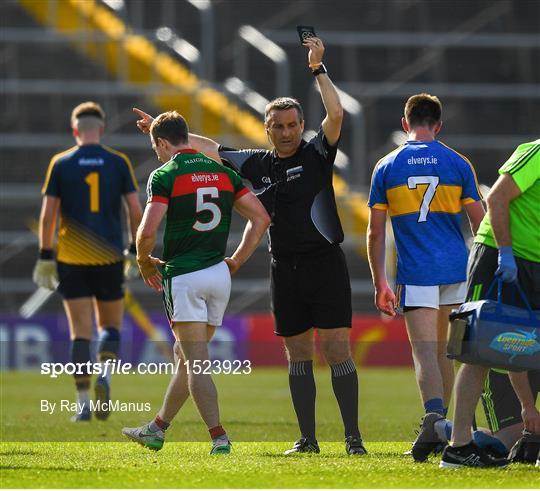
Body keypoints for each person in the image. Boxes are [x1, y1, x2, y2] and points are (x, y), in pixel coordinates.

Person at [132, 35, 367, 456]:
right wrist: (161, 131)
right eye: (277, 126)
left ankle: (353, 439)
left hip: (325, 263)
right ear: (267, 129)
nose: (286, 131)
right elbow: (206, 149)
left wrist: (318, 68)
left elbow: (335, 113)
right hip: (284, 266)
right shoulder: (255, 163)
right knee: (296, 353)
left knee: (335, 349)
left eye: (292, 124)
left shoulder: (316, 154)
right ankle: (308, 441)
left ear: (300, 126)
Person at [121, 111, 270, 454]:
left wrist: (144, 262)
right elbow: (261, 219)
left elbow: (146, 232)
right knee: (185, 356)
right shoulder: (222, 173)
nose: (157, 153)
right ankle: (156, 429)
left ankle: (219, 437)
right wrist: (236, 260)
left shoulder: (165, 175)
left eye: (156, 147)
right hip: (219, 276)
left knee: (196, 362)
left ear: (161, 143)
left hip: (185, 277)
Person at [366, 93, 485, 460]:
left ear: (405, 123)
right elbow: (480, 223)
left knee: (424, 355)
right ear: (438, 125)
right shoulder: (458, 163)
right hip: (457, 271)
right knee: (449, 353)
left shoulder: (386, 166)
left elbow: (374, 232)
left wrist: (380, 283)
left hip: (416, 273)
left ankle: (434, 419)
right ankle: (452, 430)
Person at [33, 101, 143, 421]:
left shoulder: (61, 162)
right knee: (109, 325)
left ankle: (82, 405)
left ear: (75, 130)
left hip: (71, 258)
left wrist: (44, 256)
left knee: (79, 332)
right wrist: (135, 250)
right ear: (102, 129)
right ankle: (105, 378)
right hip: (109, 256)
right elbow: (135, 210)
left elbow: (48, 214)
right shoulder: (118, 162)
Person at [437, 139, 540, 468]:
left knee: (522, 341)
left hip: (532, 263)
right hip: (497, 254)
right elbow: (495, 198)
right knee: (477, 347)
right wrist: (506, 253)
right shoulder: (536, 152)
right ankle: (459, 446)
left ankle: (520, 425)